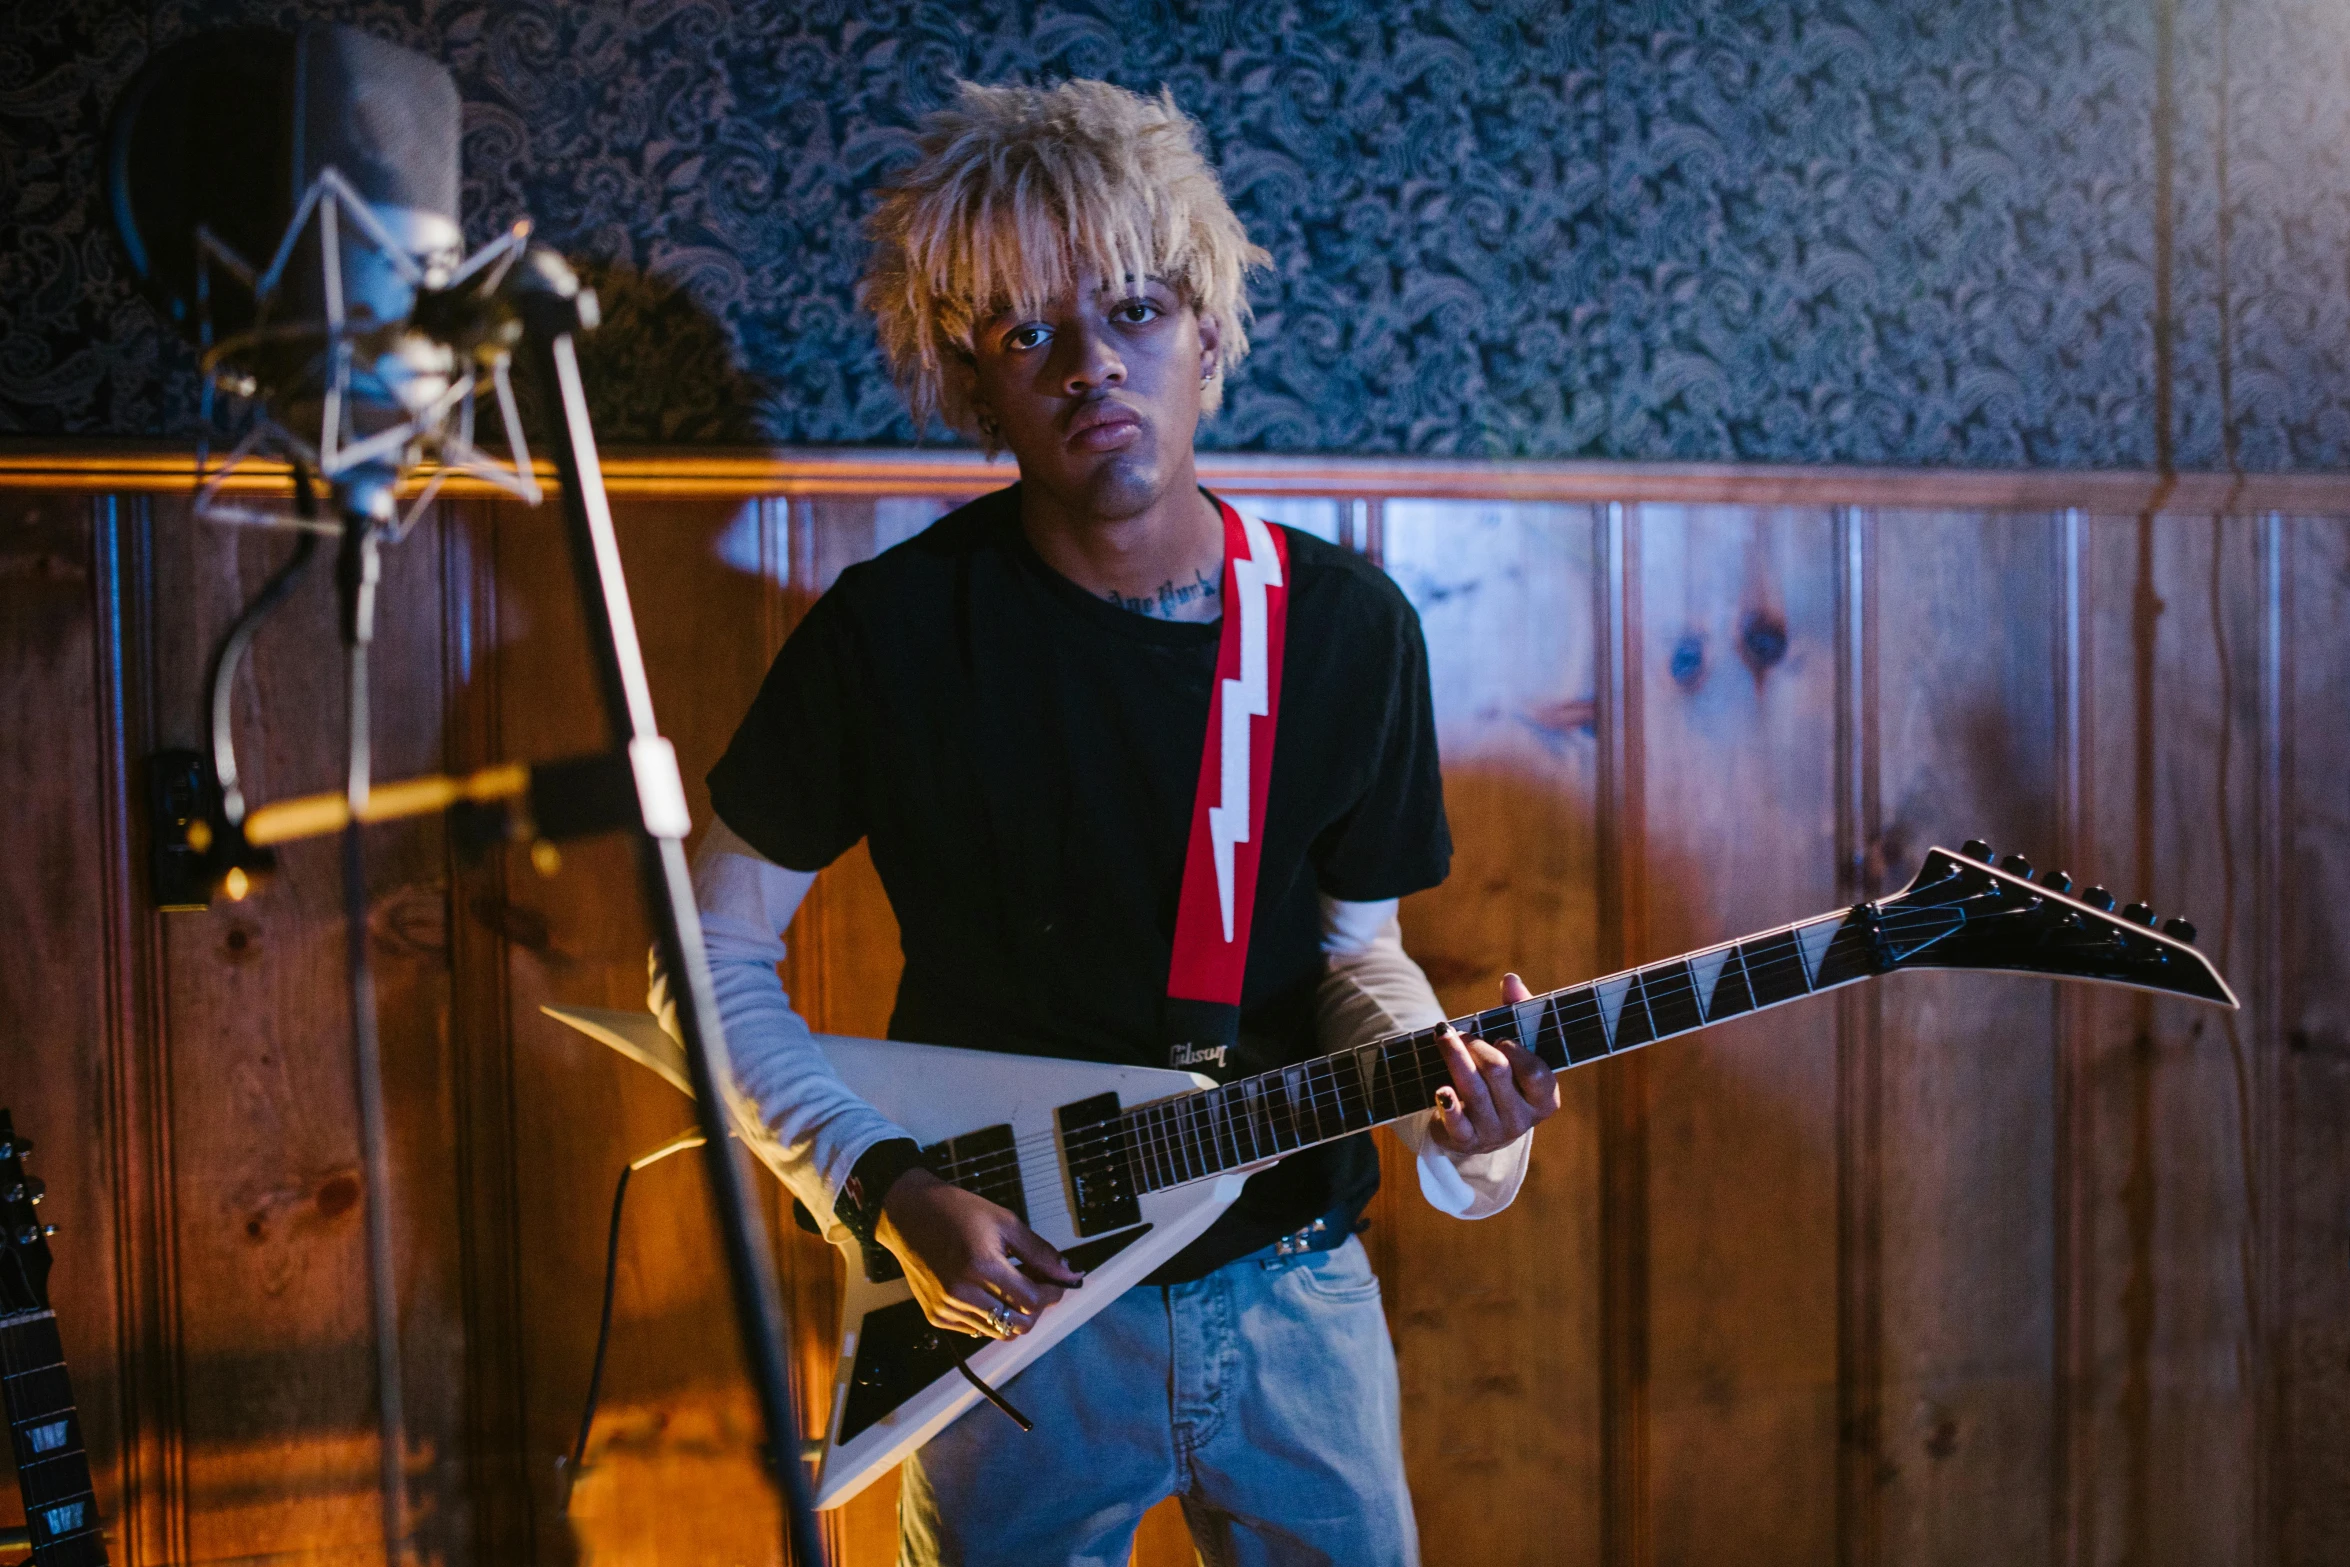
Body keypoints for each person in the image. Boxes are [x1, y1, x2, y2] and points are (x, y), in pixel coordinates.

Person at [657, 78, 1560, 1567]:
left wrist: (1460, 1118)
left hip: (1293, 1282)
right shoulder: (891, 635)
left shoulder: (1340, 628)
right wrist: (880, 1188)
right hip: (1010, 1306)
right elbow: (703, 956)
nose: (1092, 365)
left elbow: (1357, 951)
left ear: (1205, 332)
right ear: (973, 378)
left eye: (1135, 310)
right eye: (1029, 332)